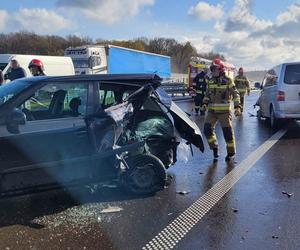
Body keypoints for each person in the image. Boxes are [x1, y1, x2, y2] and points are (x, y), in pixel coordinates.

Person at [201, 59, 242, 163]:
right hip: (212, 112)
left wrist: (237, 107)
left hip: (224, 112)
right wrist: (204, 104)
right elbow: (207, 94)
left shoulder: (228, 80)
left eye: (215, 69)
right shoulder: (210, 81)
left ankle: (231, 153)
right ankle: (214, 147)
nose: (214, 71)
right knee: (207, 129)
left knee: (227, 132)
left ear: (221, 69)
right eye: (213, 69)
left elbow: (236, 94)